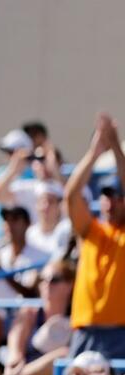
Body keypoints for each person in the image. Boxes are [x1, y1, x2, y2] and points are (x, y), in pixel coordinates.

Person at [64, 113, 125, 358]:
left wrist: (117, 150)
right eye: (107, 195)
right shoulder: (91, 231)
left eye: (119, 197)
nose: (112, 202)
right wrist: (94, 153)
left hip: (121, 335)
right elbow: (71, 195)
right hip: (85, 333)